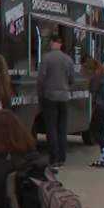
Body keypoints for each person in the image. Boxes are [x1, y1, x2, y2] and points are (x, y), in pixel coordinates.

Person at [38, 34, 75, 168]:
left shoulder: (46, 58)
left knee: (51, 128)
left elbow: (41, 78)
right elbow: (72, 79)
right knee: (62, 128)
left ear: (53, 43)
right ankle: (62, 158)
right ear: (61, 44)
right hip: (64, 97)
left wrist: (40, 94)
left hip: (49, 96)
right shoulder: (68, 59)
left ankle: (53, 158)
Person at [82, 58, 104, 167]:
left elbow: (92, 89)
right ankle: (103, 155)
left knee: (95, 130)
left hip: (100, 106)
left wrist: (89, 81)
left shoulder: (97, 77)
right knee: (100, 130)